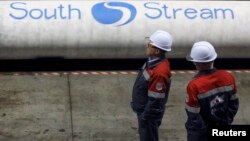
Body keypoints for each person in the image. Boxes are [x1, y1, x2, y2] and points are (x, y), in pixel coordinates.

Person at [185, 41, 239, 141]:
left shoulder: (194, 86)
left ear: (196, 63)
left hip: (200, 135)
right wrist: (225, 122)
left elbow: (193, 115)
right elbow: (234, 104)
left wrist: (205, 131)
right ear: (213, 59)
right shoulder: (229, 77)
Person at [131, 30, 173, 141]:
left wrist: (145, 117)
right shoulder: (152, 62)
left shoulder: (159, 72)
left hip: (148, 115)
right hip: (144, 110)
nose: (147, 46)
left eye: (150, 45)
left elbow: (156, 100)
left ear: (157, 51)